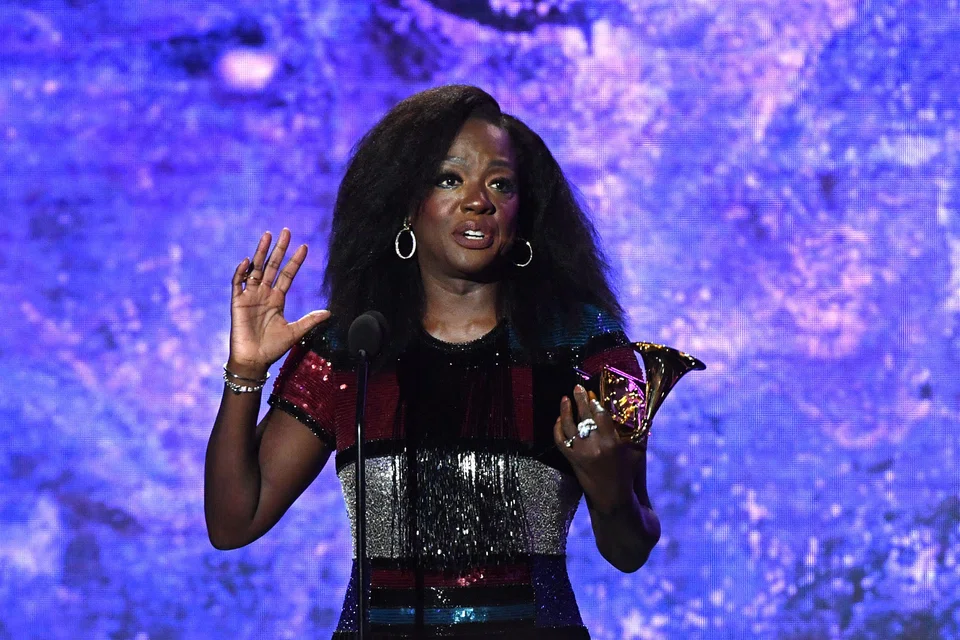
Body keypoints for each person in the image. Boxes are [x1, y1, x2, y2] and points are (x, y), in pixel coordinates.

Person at [204, 85, 661, 639]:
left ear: (521, 215)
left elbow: (629, 550)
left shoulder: (582, 349)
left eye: (500, 183)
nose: (478, 200)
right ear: (406, 206)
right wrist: (247, 372)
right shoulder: (355, 350)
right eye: (449, 179)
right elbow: (233, 521)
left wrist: (611, 487)